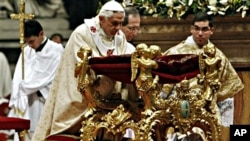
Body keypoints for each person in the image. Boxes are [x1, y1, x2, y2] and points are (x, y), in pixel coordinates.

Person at [32, 1, 136, 140]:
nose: (118, 28)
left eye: (120, 23)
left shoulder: (119, 37)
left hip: (111, 93)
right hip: (82, 94)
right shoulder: (82, 34)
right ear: (101, 19)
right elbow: (81, 66)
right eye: (114, 23)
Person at [161, 12, 244, 127]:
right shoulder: (176, 52)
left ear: (212, 30)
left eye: (204, 29)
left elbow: (226, 95)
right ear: (191, 29)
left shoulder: (219, 57)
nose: (200, 33)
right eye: (197, 29)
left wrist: (226, 126)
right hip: (179, 110)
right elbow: (164, 90)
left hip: (208, 111)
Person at [8, 19, 64, 140]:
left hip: (47, 100)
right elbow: (18, 77)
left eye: (32, 41)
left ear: (41, 34)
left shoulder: (56, 50)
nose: (30, 45)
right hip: (29, 101)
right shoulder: (27, 51)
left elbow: (56, 78)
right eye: (28, 42)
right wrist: (19, 91)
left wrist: (27, 87)